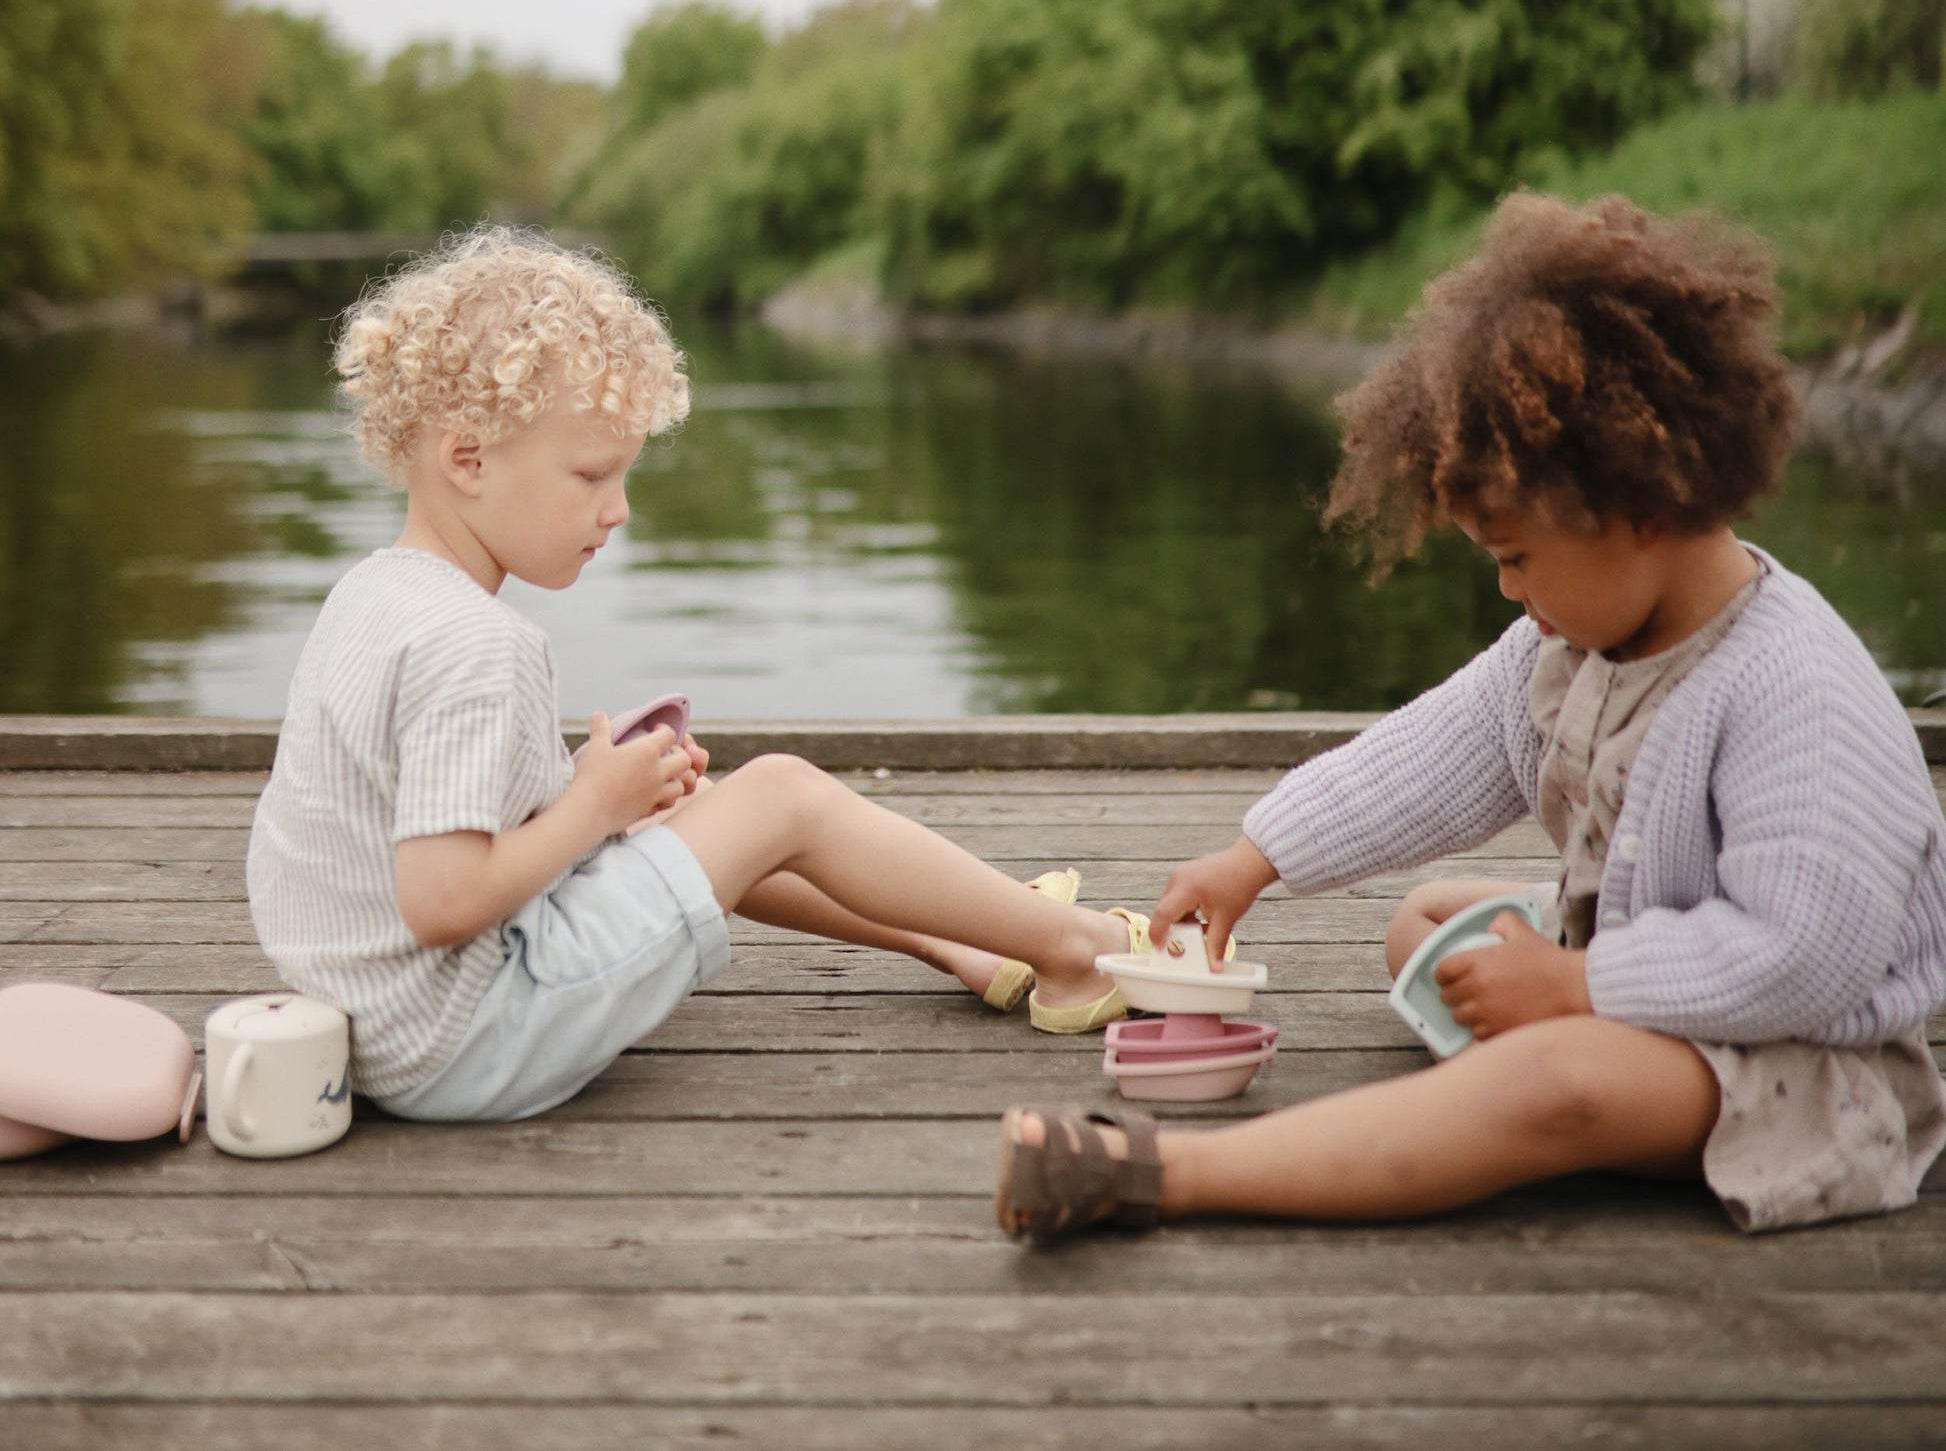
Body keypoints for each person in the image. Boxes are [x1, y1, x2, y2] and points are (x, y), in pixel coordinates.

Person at [995, 192, 1946, 1240]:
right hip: (1650, 968)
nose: (1505, 589)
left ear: (1644, 505)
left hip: (1799, 1070)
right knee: (1430, 920)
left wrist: (1576, 985)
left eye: (1513, 556)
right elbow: (1432, 753)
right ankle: (1531, 1062)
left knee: (1553, 1068)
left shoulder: (1792, 688)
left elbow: (1801, 956)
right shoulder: (1574, 638)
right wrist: (1253, 855)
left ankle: (1166, 1172)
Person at [246, 227, 1144, 1122]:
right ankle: (1080, 950)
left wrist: (603, 798)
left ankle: (966, 943)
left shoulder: (371, 597)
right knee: (783, 795)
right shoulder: (476, 643)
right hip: (469, 1037)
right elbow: (442, 900)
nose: (620, 509)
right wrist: (592, 806)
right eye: (593, 474)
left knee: (689, 805)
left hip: (372, 1027)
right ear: (469, 459)